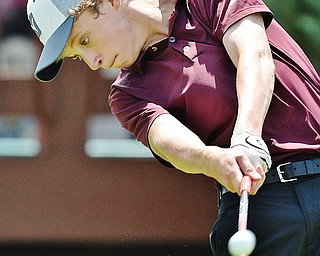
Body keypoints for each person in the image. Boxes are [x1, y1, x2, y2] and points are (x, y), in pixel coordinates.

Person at [26, 0, 320, 255]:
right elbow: (168, 140)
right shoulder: (128, 94)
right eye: (77, 55)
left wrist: (247, 135)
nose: (92, 63)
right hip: (261, 205)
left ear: (108, 3)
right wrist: (211, 159)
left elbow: (253, 54)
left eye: (85, 40)